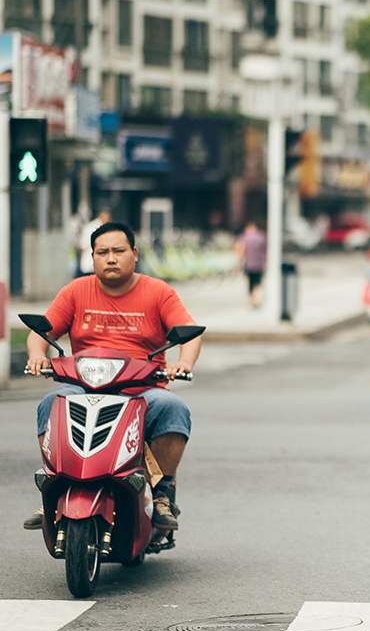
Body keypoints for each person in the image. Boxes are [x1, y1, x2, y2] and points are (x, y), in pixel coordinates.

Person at [24, 222, 202, 531]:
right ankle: (54, 487)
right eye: (102, 252)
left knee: (173, 407)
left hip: (141, 389)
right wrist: (37, 355)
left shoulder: (158, 292)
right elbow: (41, 332)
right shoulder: (76, 290)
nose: (110, 258)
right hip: (83, 386)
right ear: (91, 257)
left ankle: (162, 492)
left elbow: (190, 335)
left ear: (134, 254)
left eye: (118, 251)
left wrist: (182, 362)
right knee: (51, 402)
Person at [235, 221, 268, 308]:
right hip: (259, 264)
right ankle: (257, 299)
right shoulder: (262, 236)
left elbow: (240, 250)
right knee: (258, 283)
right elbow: (266, 251)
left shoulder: (245, 237)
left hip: (248, 264)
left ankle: (251, 300)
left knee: (250, 283)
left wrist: (238, 263)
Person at [76, 209, 111, 277]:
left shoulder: (105, 227)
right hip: (89, 264)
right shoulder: (90, 228)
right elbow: (83, 246)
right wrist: (81, 263)